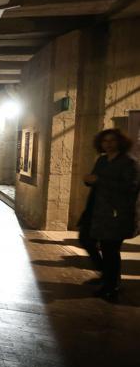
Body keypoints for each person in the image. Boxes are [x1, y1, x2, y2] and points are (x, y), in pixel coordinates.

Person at [78, 128, 138, 299]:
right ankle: (106, 275)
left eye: (112, 140)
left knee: (110, 249)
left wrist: (99, 180)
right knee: (86, 238)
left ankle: (111, 286)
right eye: (105, 141)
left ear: (120, 142)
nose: (108, 144)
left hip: (116, 213)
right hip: (96, 209)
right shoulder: (103, 160)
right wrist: (89, 181)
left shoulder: (128, 162)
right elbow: (96, 180)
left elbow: (130, 188)